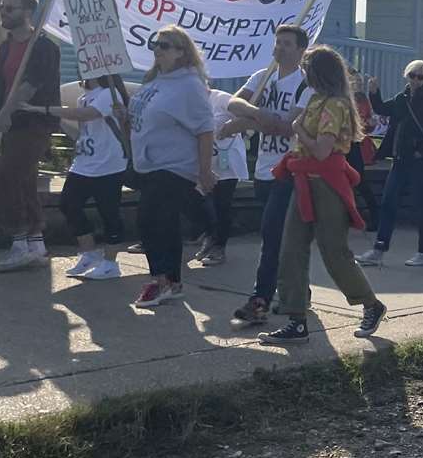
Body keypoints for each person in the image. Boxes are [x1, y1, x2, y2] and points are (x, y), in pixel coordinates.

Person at [260, 45, 386, 343]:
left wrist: (297, 130)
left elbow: (321, 149)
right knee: (291, 249)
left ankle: (371, 303)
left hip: (326, 183)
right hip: (303, 180)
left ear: (317, 72)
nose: (302, 72)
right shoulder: (317, 100)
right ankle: (296, 319)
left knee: (334, 251)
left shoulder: (335, 105)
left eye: (306, 67)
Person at [226, 24, 313, 324]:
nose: (279, 48)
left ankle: (259, 300)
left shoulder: (306, 85)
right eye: (277, 42)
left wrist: (253, 120)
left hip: (290, 168)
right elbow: (233, 102)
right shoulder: (263, 77)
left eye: (287, 44)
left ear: (301, 50)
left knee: (272, 236)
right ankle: (300, 291)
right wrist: (255, 111)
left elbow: (289, 125)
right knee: (284, 238)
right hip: (263, 168)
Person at [125, 25, 216, 308]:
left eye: (165, 45)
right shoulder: (154, 80)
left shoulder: (190, 85)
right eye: (156, 44)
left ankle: (163, 280)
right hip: (149, 164)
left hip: (175, 165)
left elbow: (205, 129)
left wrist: (204, 170)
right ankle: (170, 281)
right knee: (152, 222)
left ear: (181, 51)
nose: (157, 49)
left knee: (156, 221)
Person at [0, 0, 61, 271]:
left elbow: (31, 85)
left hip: (33, 122)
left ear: (27, 12)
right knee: (25, 182)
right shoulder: (6, 47)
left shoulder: (42, 47)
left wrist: (6, 112)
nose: (3, 13)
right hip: (10, 125)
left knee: (5, 180)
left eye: (10, 9)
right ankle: (35, 241)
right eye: (2, 8)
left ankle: (18, 241)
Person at [358, 60, 423, 267]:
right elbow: (381, 108)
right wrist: (373, 92)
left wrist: (421, 150)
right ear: (406, 75)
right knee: (388, 203)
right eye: (412, 75)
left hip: (420, 161)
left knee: (422, 206)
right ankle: (379, 248)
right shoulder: (402, 99)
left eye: (420, 76)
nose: (416, 79)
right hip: (400, 159)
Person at [40, 79, 128, 281]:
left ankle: (111, 263)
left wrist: (46, 109)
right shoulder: (83, 97)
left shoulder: (109, 94)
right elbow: (84, 129)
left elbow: (87, 115)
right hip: (84, 162)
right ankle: (89, 253)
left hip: (109, 163)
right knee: (69, 204)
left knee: (109, 212)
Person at [189, 85, 249, 267]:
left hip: (226, 163)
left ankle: (218, 247)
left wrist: (232, 127)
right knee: (198, 201)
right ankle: (210, 234)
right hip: (203, 163)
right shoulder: (185, 102)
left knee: (222, 204)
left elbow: (247, 115)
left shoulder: (220, 98)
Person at [346, 66, 380, 232]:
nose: (359, 84)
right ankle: (350, 216)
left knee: (360, 181)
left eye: (360, 81)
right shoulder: (343, 99)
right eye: (355, 81)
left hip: (356, 144)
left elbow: (366, 123)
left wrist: (370, 124)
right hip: (343, 144)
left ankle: (374, 216)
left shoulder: (362, 99)